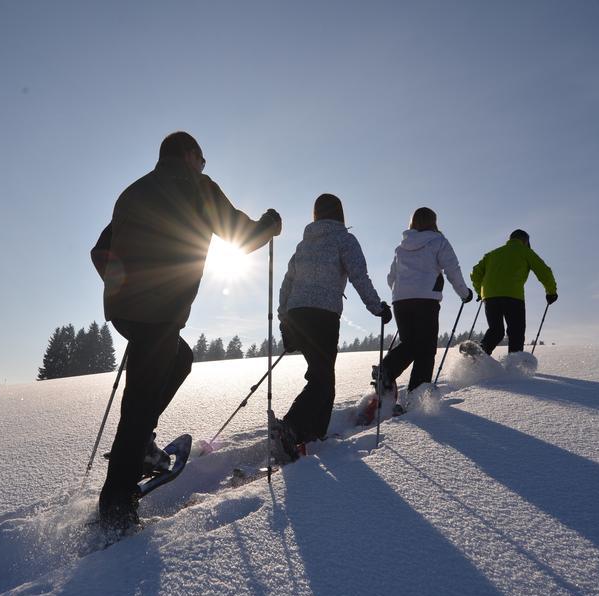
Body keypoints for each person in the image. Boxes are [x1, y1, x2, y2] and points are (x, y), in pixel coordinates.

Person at [90, 131, 282, 532]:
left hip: (128, 310)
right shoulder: (196, 185)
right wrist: (269, 225)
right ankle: (116, 511)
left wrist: (122, 287)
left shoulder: (132, 192)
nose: (203, 166)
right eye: (203, 159)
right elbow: (241, 235)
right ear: (191, 155)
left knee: (179, 359)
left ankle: (139, 448)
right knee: (139, 404)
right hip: (159, 310)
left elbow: (99, 249)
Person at [274, 194, 391, 460]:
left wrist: (285, 322)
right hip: (323, 315)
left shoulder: (303, 245)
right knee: (322, 378)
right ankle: (290, 428)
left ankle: (313, 434)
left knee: (323, 376)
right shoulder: (344, 239)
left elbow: (286, 283)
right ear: (340, 213)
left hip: (297, 313)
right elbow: (359, 275)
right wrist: (377, 307)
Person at [378, 207, 472, 401]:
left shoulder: (401, 247)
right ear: (433, 222)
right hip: (426, 301)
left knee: (410, 343)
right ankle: (417, 396)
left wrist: (402, 291)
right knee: (426, 349)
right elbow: (452, 270)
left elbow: (391, 277)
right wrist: (465, 293)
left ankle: (386, 370)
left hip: (401, 302)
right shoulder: (439, 241)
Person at [470, 229, 557, 355]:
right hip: (513, 297)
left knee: (496, 331)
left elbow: (475, 273)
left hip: (490, 298)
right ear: (525, 241)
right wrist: (551, 292)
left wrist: (481, 292)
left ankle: (477, 357)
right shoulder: (525, 252)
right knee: (516, 331)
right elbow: (544, 271)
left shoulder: (492, 254)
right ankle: (514, 367)